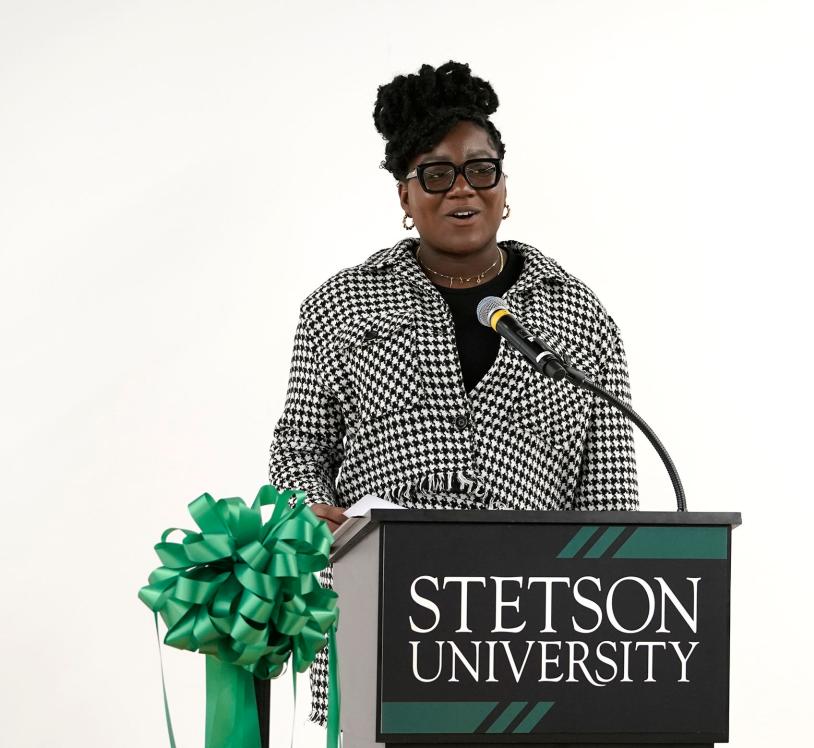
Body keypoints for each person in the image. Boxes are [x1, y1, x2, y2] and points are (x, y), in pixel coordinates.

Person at [267, 60, 640, 728]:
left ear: (503, 185)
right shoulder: (340, 305)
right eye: (435, 174)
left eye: (480, 168)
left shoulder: (580, 315)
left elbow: (610, 499)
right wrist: (309, 516)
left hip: (527, 636)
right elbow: (300, 443)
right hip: (375, 612)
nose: (460, 188)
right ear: (405, 198)